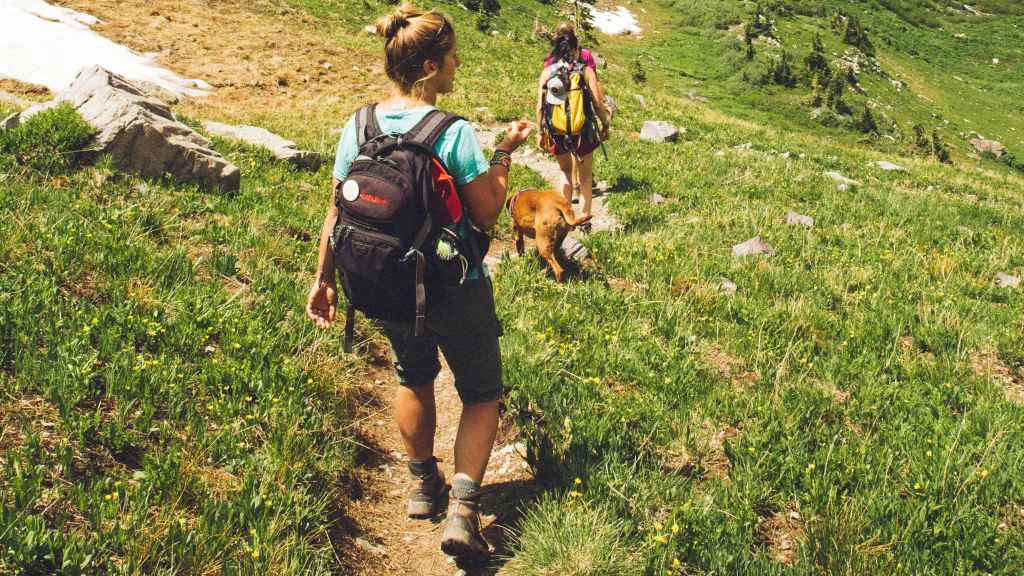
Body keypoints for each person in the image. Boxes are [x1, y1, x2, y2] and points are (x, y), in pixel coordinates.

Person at [305, 3, 531, 562]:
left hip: (383, 284)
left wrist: (322, 281)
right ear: (431, 66)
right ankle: (462, 508)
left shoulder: (359, 125)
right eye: (452, 57)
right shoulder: (450, 133)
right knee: (481, 393)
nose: (457, 66)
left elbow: (337, 210)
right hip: (454, 285)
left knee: (413, 375)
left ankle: (420, 483)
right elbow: (485, 213)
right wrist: (503, 153)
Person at [536, 23, 611, 223]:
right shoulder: (585, 70)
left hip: (557, 131)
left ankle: (564, 218)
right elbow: (597, 103)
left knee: (565, 172)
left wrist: (540, 133)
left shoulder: (547, 71)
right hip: (583, 130)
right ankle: (585, 216)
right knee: (586, 178)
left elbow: (540, 106)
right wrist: (605, 124)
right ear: (576, 48)